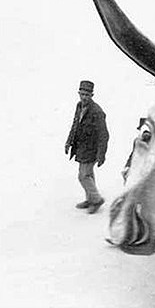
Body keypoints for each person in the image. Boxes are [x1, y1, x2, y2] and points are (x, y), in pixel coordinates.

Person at [65, 80, 109, 214]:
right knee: (88, 174)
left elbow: (104, 135)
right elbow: (75, 125)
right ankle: (90, 199)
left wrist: (101, 155)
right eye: (82, 94)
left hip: (91, 149)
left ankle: (96, 199)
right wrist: (68, 142)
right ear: (79, 94)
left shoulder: (97, 112)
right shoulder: (79, 106)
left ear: (92, 95)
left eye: (87, 95)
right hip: (80, 148)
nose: (84, 97)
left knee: (83, 176)